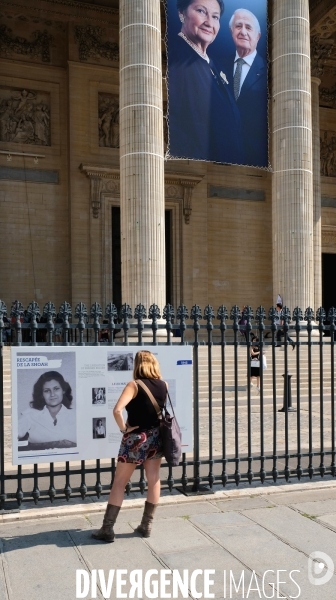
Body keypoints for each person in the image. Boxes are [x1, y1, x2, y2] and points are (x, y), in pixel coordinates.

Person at [92, 350, 167, 543]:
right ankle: (146, 525)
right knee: (154, 479)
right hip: (155, 437)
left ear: (137, 365)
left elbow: (117, 410)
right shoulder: (163, 385)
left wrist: (124, 428)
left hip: (135, 439)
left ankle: (107, 528)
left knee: (120, 482)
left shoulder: (134, 385)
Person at [168, 0, 244, 164]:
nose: (209, 22)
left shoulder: (216, 65)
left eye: (215, 17)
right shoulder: (173, 54)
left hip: (226, 172)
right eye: (201, 11)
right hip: (194, 169)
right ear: (182, 13)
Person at [221, 8, 268, 167]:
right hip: (219, 154)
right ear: (231, 31)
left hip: (255, 157)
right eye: (238, 26)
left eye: (248, 27)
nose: (243, 32)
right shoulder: (218, 66)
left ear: (258, 35)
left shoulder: (269, 71)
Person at [18, 371, 76, 449]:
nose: (52, 394)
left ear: (63, 390)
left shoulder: (76, 415)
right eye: (47, 391)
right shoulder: (30, 415)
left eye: (56, 389)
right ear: (42, 394)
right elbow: (11, 435)